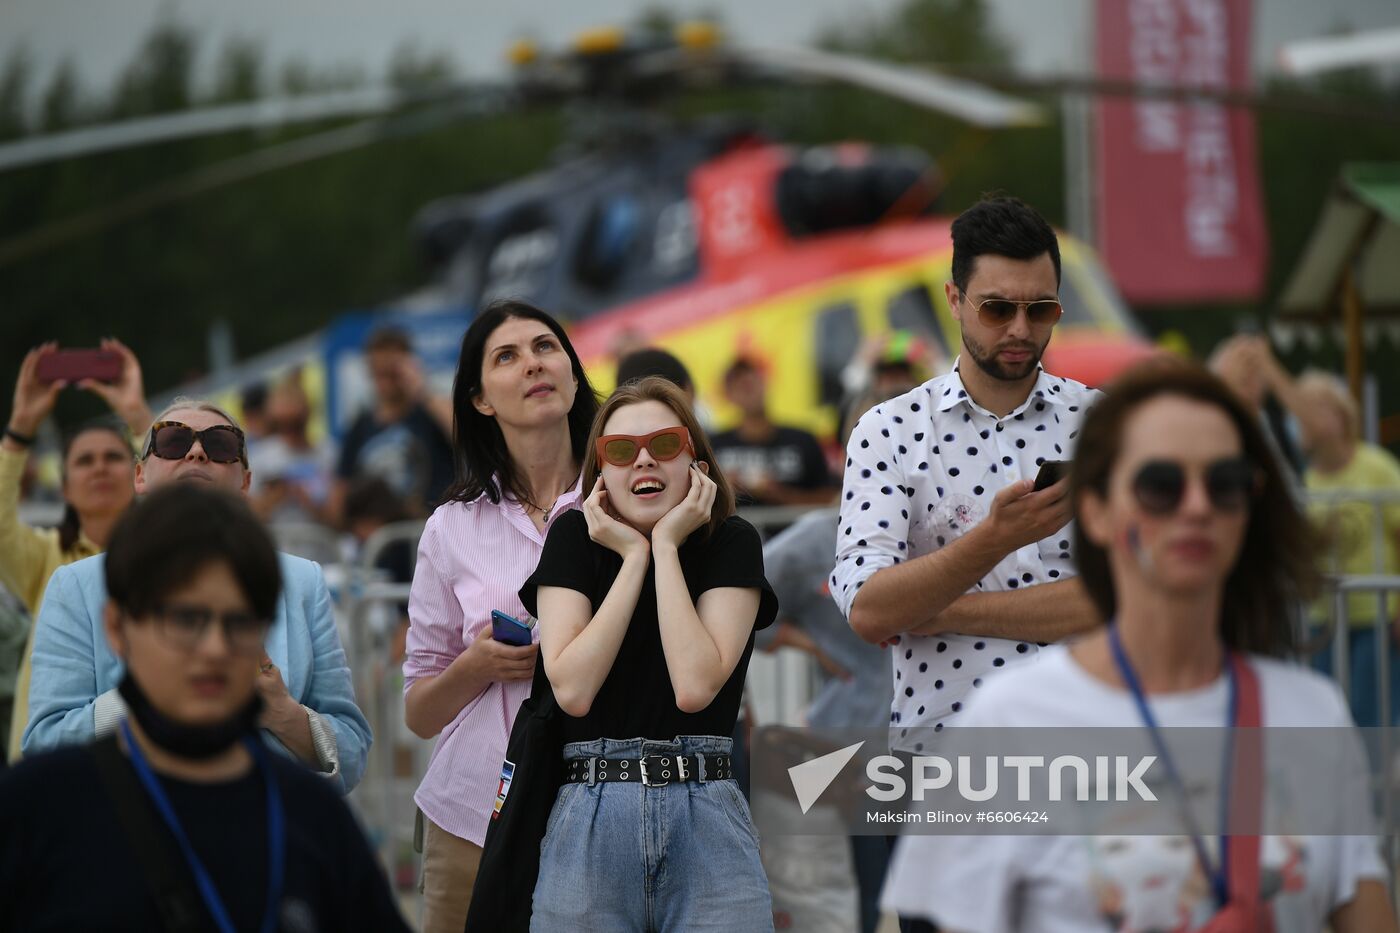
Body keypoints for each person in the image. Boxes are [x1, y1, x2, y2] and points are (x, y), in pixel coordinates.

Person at [881, 362, 1396, 933]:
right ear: (1097, 512)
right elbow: (865, 599)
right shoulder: (1009, 719)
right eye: (1161, 485)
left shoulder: (1312, 713)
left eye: (1225, 482)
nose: (1196, 506)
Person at [835, 196, 1102, 932]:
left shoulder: (1101, 423)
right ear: (952, 299)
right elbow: (868, 608)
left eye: (1042, 308)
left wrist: (939, 605)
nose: (1021, 329)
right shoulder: (887, 429)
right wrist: (992, 541)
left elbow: (1123, 603)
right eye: (997, 309)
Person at [0, 483, 409, 931]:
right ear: (117, 628)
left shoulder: (315, 820)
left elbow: (351, 746)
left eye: (238, 622)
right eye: (186, 620)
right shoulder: (36, 809)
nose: (214, 648)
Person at [521, 375, 778, 931]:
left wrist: (664, 546)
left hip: (705, 805)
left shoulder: (731, 541)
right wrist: (631, 560)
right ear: (600, 472)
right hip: (589, 809)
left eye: (664, 445)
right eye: (620, 450)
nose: (644, 462)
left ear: (696, 459)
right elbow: (573, 689)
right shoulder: (570, 538)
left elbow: (694, 685)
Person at [23, 398, 372, 794]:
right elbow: (45, 745)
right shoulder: (78, 585)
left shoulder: (302, 581)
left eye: (221, 445)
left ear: (245, 482)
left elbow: (353, 750)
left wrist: (283, 714)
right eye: (173, 441)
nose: (196, 451)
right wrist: (145, 694)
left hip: (265, 827)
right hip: (129, 830)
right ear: (140, 476)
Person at [402, 299, 600, 933]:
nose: (533, 365)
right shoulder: (451, 527)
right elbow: (420, 709)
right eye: (506, 357)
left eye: (546, 347)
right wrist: (477, 665)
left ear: (572, 371)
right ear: (480, 398)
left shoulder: (627, 495)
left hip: (610, 804)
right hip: (472, 811)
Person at [759, 383, 907, 933]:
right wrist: (809, 644)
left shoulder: (960, 536)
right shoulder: (817, 540)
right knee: (865, 900)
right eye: (870, 440)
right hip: (852, 745)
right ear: (844, 454)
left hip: (946, 745)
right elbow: (736, 606)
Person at [4, 339, 149, 762]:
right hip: (55, 768)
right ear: (64, 487)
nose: (100, 466)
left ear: (140, 473)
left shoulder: (168, 557)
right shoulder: (43, 560)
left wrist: (139, 415)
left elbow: (188, 502)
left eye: (113, 457)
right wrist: (20, 427)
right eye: (85, 461)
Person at [1244, 342, 1400, 726]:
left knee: (1370, 717)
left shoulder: (1375, 466)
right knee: (1323, 719)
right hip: (1322, 616)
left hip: (1375, 615)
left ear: (1339, 415)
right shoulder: (1307, 477)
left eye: (1311, 408)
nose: (1300, 420)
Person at [332, 326, 455, 520]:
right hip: (378, 542)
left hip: (428, 531)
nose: (385, 380)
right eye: (378, 371)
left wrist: (420, 388)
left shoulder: (429, 413)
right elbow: (338, 501)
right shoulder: (360, 426)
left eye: (392, 372)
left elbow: (464, 435)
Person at [711, 355, 836, 505]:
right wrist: (723, 489)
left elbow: (831, 499)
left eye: (752, 383)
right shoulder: (714, 445)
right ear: (729, 395)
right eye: (741, 387)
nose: (748, 391)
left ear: (765, 384)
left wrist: (780, 494)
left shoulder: (803, 440)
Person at [249, 375, 334, 526]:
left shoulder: (328, 452)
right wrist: (276, 497)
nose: (290, 431)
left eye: (295, 422)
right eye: (282, 423)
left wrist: (307, 501)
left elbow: (339, 519)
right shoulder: (260, 458)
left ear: (306, 416)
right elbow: (250, 518)